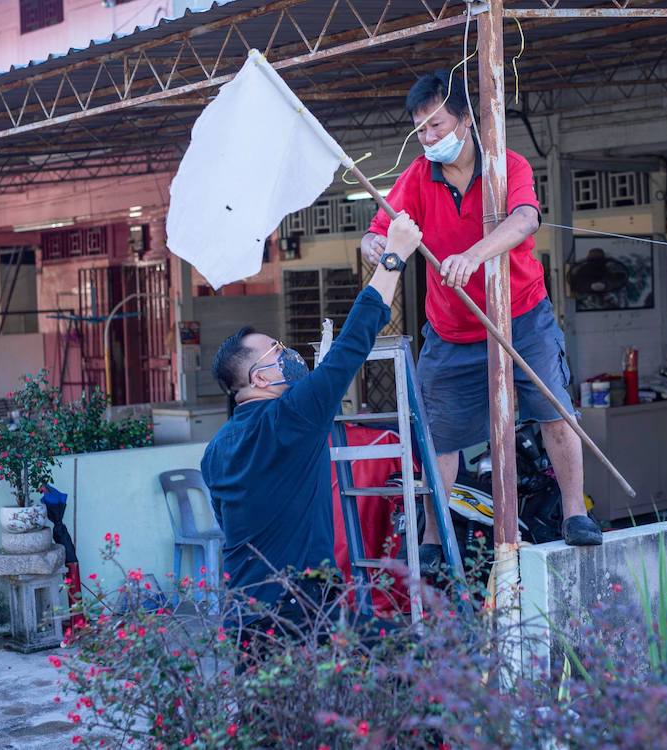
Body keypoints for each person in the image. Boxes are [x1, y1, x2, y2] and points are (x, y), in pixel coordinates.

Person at [361, 70, 602, 570]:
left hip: (522, 316)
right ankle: (433, 535)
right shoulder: (415, 178)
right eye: (420, 130)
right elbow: (375, 232)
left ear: (467, 122)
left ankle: (575, 514)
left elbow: (525, 219)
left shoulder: (505, 165)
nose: (429, 138)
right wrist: (377, 246)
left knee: (556, 411)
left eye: (437, 126)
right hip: (450, 331)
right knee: (439, 437)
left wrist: (473, 255)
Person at [202, 212, 422, 628]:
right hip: (299, 611)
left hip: (243, 614)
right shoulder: (292, 417)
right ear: (261, 377)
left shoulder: (215, 451)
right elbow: (352, 345)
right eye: (275, 349)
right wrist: (392, 259)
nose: (287, 353)